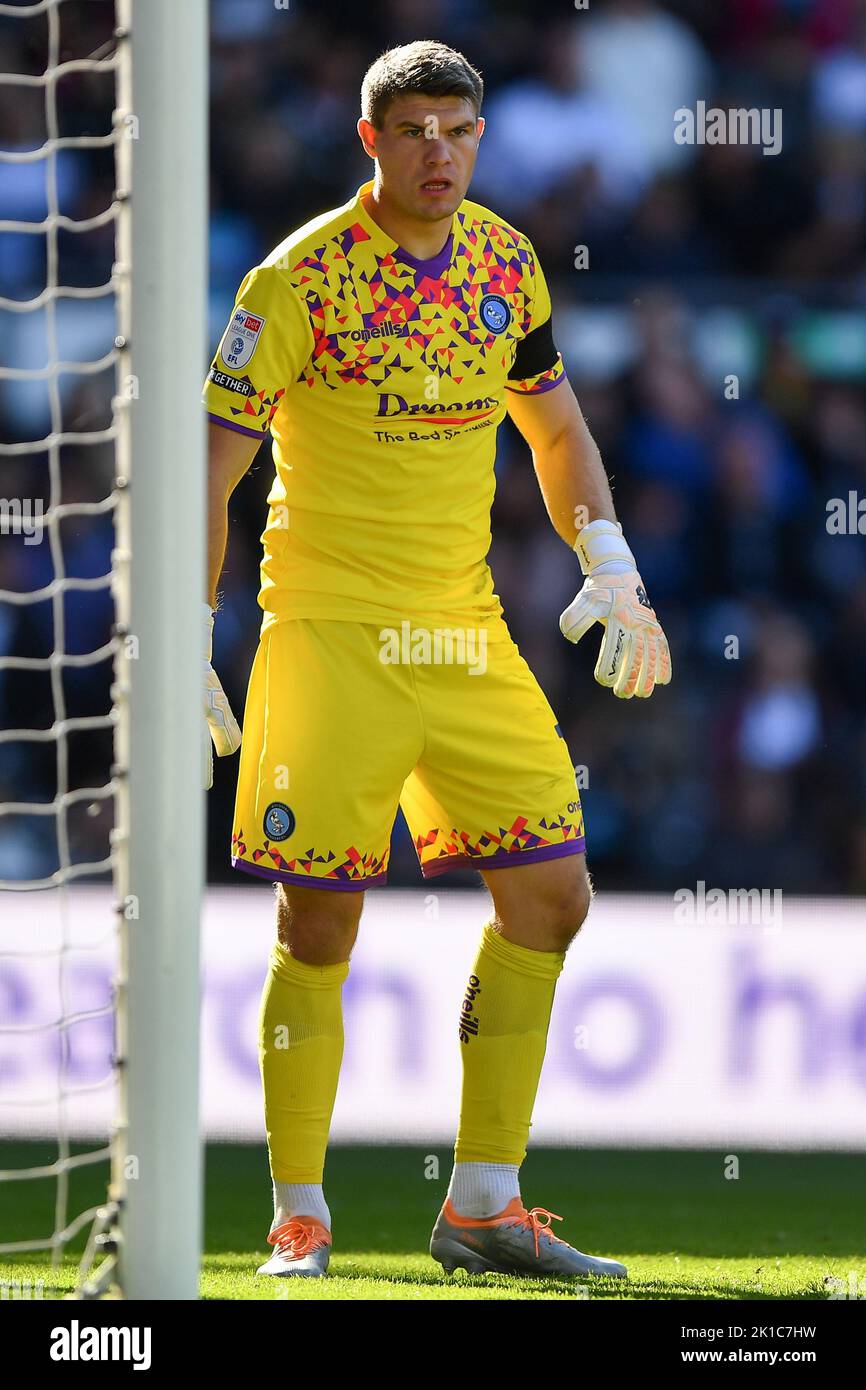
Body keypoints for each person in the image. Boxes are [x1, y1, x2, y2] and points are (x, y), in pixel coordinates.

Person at [202, 40, 671, 1282]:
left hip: (464, 631)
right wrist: (189, 628)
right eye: (415, 130)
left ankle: (481, 1204)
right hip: (328, 632)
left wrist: (609, 564)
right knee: (319, 927)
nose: (439, 153)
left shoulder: (506, 266)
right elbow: (214, 465)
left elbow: (555, 422)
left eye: (459, 131)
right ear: (371, 138)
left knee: (552, 897)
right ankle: (298, 1214)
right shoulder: (295, 280)